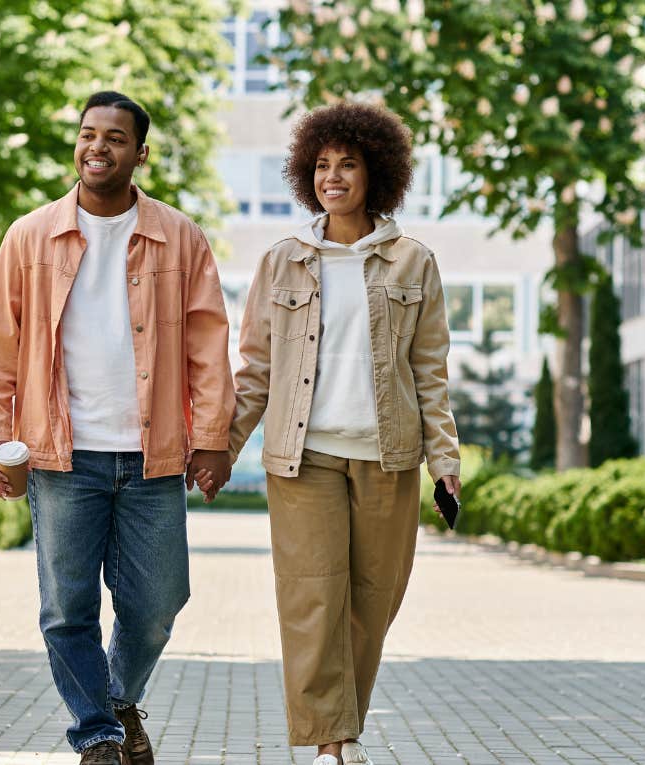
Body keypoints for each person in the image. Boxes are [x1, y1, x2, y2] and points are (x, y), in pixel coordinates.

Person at [0, 91, 234, 765]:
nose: (98, 147)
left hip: (152, 454)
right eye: (89, 134)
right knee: (67, 609)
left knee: (157, 604)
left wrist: (212, 436)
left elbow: (207, 344)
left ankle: (115, 699)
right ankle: (98, 735)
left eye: (115, 138)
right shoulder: (31, 235)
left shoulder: (180, 237)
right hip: (61, 453)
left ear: (140, 153)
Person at [210, 101, 461, 765]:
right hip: (305, 458)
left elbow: (430, 371)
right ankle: (332, 744)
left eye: (347, 164)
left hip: (388, 455)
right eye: (321, 165)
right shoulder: (283, 260)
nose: (333, 176)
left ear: (375, 173)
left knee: (372, 603)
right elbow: (255, 369)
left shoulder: (413, 262)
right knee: (314, 597)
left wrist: (447, 462)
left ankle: (337, 728)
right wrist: (222, 448)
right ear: (306, 174)